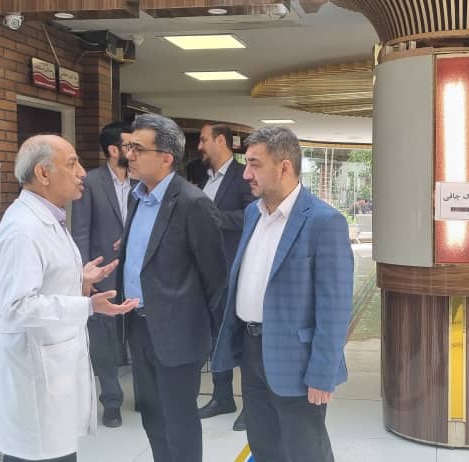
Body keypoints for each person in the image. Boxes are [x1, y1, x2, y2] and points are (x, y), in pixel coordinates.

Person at [0, 135, 138, 462]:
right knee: (39, 454)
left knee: (58, 451)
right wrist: (88, 305)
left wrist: (79, 279)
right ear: (43, 173)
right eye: (72, 164)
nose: (82, 173)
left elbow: (43, 280)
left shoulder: (49, 217)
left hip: (52, 375)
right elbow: (17, 305)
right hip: (34, 379)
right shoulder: (23, 229)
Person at [211, 126, 354, 462]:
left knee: (306, 451)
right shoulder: (253, 214)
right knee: (264, 446)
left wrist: (322, 374)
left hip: (297, 360)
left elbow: (334, 308)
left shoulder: (323, 222)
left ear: (284, 167)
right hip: (252, 351)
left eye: (255, 164)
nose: (246, 174)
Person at [118, 114, 228, 462]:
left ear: (166, 157)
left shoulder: (193, 203)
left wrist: (211, 337)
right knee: (152, 417)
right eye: (129, 147)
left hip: (179, 334)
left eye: (138, 149)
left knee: (179, 423)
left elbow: (216, 278)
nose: (129, 155)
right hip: (139, 325)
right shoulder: (136, 197)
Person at [70, 121, 137, 428]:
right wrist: (86, 275)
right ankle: (111, 401)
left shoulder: (141, 182)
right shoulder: (92, 182)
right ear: (113, 150)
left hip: (136, 273)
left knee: (138, 334)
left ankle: (144, 397)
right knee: (103, 339)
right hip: (102, 273)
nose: (134, 151)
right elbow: (81, 230)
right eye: (129, 146)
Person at [195, 122, 256, 431]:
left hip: (234, 271)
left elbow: (253, 215)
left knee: (241, 340)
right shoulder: (202, 178)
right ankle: (222, 398)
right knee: (216, 339)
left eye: (203, 139)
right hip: (206, 273)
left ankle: (252, 407)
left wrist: (214, 218)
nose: (199, 146)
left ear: (221, 141)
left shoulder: (244, 176)